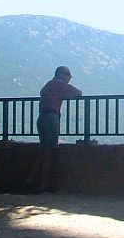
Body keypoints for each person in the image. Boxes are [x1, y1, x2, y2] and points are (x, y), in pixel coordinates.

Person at [26, 65, 82, 193]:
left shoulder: (48, 85)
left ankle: (30, 179)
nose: (70, 78)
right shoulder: (59, 84)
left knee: (44, 149)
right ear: (61, 74)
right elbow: (78, 93)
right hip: (52, 118)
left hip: (41, 118)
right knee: (49, 152)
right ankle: (43, 183)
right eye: (69, 75)